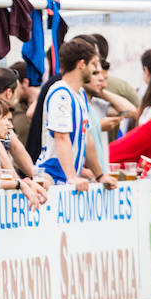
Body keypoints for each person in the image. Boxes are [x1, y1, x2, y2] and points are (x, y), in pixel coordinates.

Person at [35, 39, 117, 191]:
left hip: (66, 178)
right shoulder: (61, 94)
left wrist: (100, 175)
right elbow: (61, 137)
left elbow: (88, 139)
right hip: (52, 177)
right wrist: (72, 176)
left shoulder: (79, 94)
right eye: (93, 64)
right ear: (81, 64)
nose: (95, 70)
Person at [9, 61, 37, 145]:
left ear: (25, 82)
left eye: (14, 85)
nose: (12, 90)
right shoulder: (13, 110)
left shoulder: (47, 105)